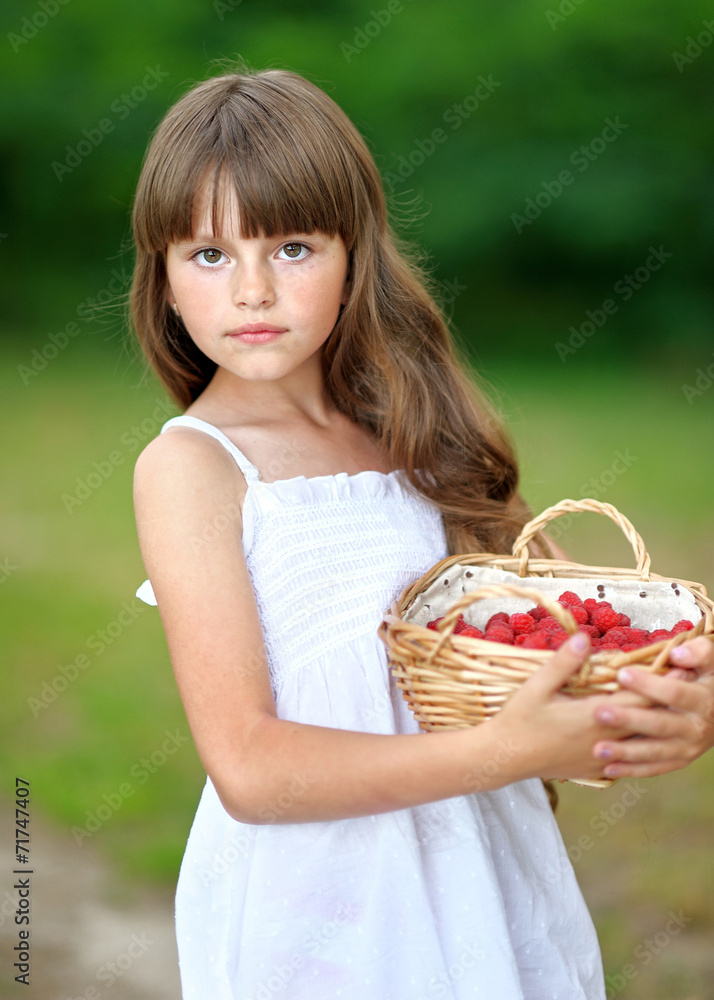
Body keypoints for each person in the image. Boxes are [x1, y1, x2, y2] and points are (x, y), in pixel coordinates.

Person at [129, 61, 714, 1000]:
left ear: (355, 253)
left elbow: (573, 630)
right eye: (207, 255)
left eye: (290, 248)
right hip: (323, 910)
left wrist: (670, 707)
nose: (251, 292)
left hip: (481, 870)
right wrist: (508, 754)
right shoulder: (194, 469)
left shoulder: (414, 430)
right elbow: (245, 766)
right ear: (160, 277)